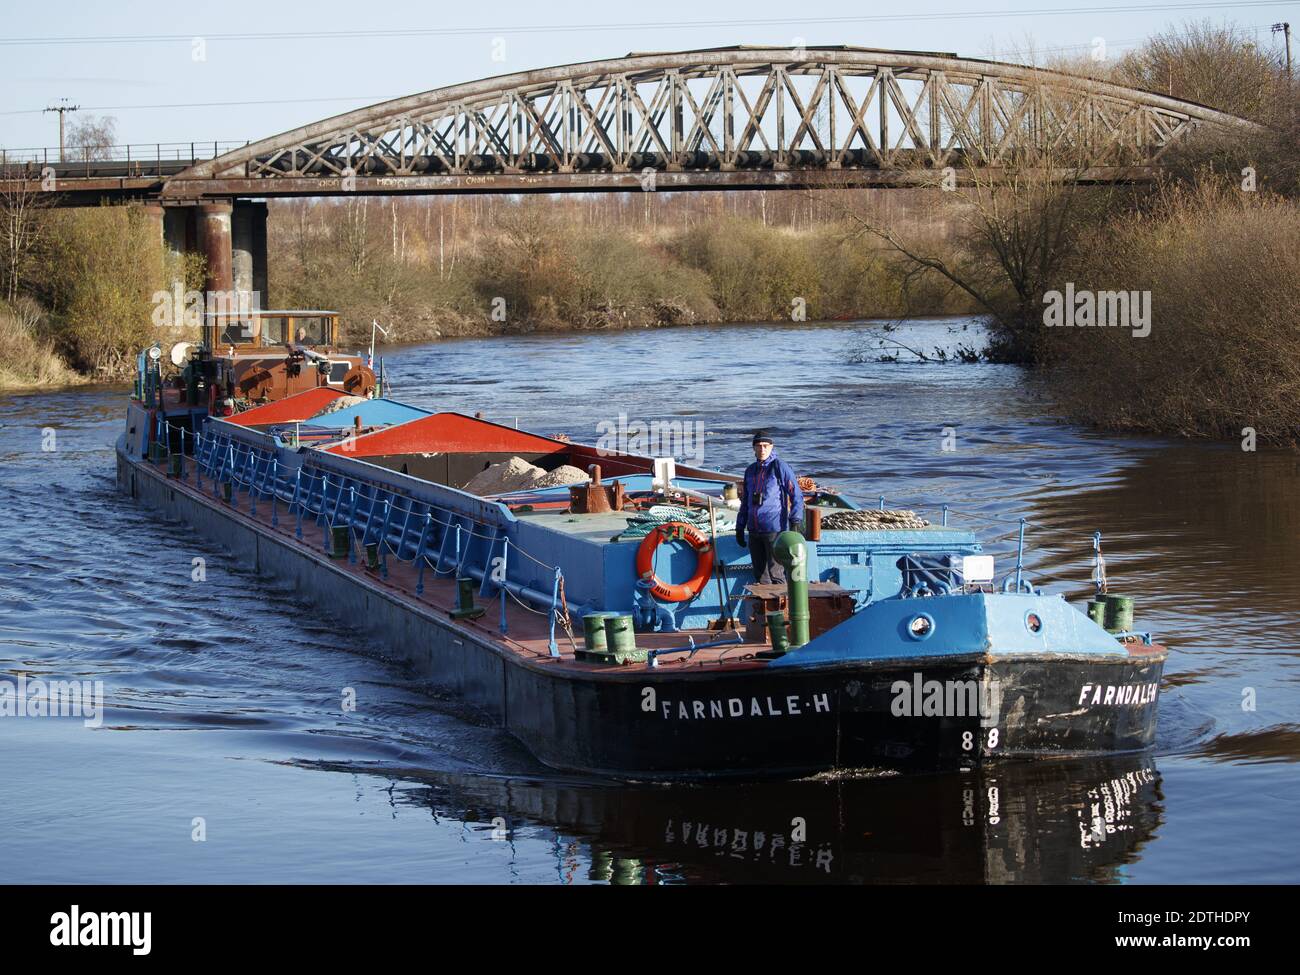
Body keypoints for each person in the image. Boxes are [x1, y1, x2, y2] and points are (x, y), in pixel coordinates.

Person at [736, 431, 804, 584]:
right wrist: (740, 527)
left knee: (776, 574)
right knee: (760, 576)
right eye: (758, 446)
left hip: (774, 530)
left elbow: (796, 495)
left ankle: (782, 606)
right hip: (754, 530)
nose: (762, 449)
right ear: (753, 448)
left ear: (771, 447)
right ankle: (764, 607)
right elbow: (745, 501)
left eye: (765, 446)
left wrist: (796, 520)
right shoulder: (750, 470)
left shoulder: (779, 467)